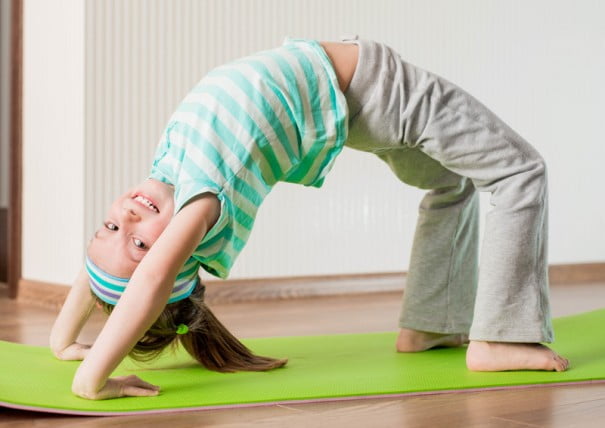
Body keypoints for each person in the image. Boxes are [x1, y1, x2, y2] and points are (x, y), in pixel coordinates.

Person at [50, 36, 569, 400]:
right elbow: (154, 280)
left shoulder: (165, 173)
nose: (129, 219)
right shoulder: (202, 200)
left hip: (354, 102)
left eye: (113, 227)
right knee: (519, 171)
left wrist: (64, 341)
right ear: (174, 255)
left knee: (450, 182)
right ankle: (500, 336)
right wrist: (92, 377)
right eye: (140, 245)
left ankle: (429, 325)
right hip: (380, 89)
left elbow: (101, 269)